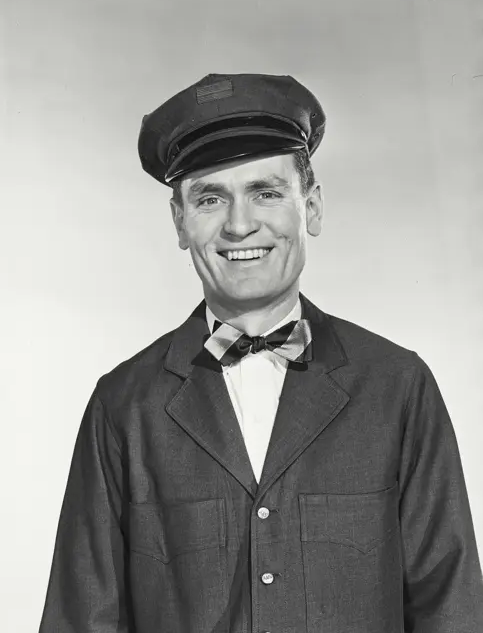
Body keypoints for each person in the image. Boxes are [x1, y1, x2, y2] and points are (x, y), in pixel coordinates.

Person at [38, 73, 483, 633]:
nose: (240, 224)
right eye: (209, 198)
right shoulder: (124, 406)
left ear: (312, 207)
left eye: (266, 192)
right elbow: (80, 620)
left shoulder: (398, 387)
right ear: (180, 222)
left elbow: (453, 609)